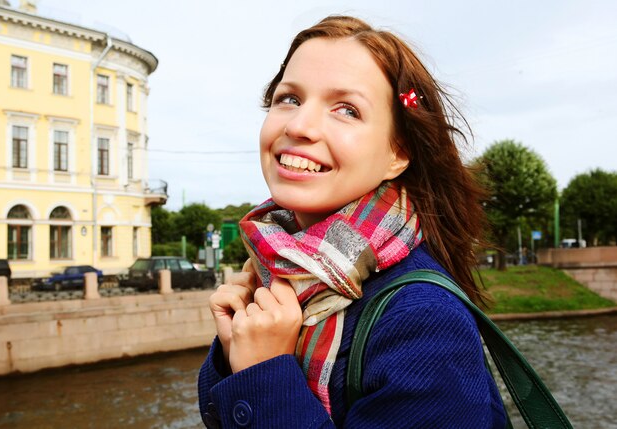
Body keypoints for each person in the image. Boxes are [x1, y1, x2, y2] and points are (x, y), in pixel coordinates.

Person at [198, 15, 507, 428]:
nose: (300, 125)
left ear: (397, 154)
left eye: (346, 110)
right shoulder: (281, 270)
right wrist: (233, 346)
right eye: (289, 98)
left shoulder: (424, 320)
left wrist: (263, 371)